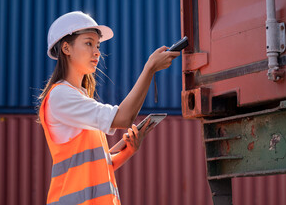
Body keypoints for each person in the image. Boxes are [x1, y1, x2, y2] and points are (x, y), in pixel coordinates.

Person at [38, 11, 180, 205]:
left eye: (97, 45)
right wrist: (150, 69)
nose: (97, 52)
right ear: (66, 48)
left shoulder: (77, 96)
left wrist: (128, 150)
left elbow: (97, 168)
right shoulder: (60, 96)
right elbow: (123, 118)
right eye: (88, 43)